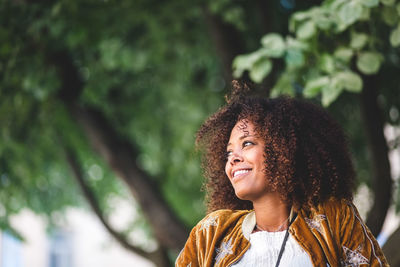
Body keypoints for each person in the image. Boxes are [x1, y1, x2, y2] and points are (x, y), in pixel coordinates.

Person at [175, 82, 389, 267]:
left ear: (282, 149)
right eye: (229, 152)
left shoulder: (332, 218)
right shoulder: (211, 233)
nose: (233, 158)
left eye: (247, 143)